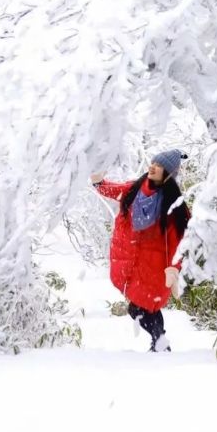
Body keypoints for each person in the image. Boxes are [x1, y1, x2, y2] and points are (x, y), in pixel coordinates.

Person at [91, 150, 191, 352]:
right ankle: (159, 343)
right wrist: (98, 182)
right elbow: (114, 190)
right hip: (135, 263)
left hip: (154, 267)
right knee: (143, 307)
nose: (152, 167)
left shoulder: (172, 204)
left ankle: (160, 342)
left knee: (143, 307)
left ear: (168, 174)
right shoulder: (136, 189)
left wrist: (174, 267)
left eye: (159, 165)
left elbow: (178, 241)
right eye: (152, 162)